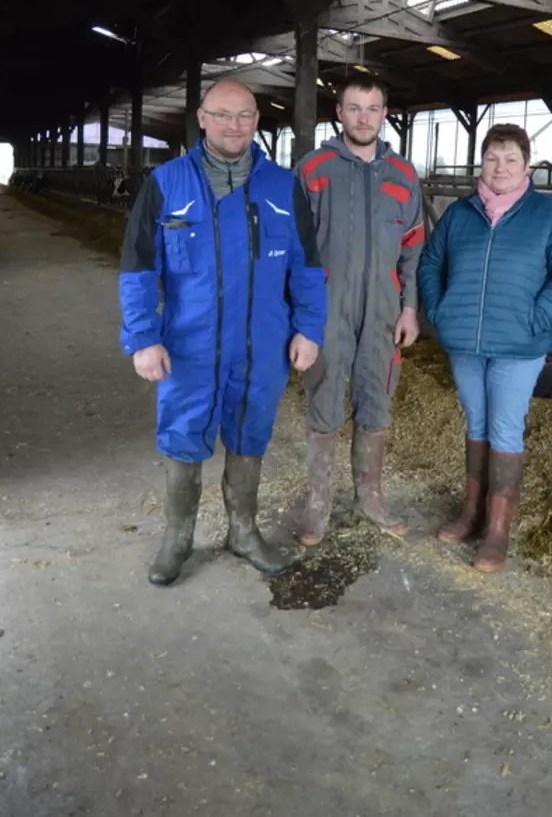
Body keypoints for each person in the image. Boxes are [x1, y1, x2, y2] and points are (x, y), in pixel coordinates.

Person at [119, 80, 326, 586]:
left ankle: (243, 531)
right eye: (223, 115)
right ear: (202, 119)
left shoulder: (282, 186)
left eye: (245, 116)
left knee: (250, 433)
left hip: (261, 344)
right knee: (183, 436)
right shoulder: (167, 183)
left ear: (257, 121)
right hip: (189, 345)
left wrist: (309, 328)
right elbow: (138, 269)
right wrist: (143, 338)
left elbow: (307, 267)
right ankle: (178, 538)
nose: (235, 126)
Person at [417, 124, 552, 573]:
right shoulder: (460, 213)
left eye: (511, 159)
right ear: (482, 163)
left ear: (527, 166)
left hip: (518, 345)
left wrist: (537, 317)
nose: (501, 168)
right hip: (466, 341)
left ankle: (497, 529)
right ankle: (472, 513)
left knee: (505, 428)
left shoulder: (547, 216)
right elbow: (432, 260)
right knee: (476, 423)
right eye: (493, 158)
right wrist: (438, 308)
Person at [295, 80, 424, 546]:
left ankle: (369, 499)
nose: (363, 117)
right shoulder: (313, 168)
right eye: (354, 108)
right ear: (339, 112)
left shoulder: (405, 175)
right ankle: (319, 503)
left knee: (377, 394)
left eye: (372, 109)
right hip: (328, 305)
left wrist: (410, 308)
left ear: (385, 112)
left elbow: (413, 249)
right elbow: (298, 248)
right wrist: (301, 318)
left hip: (385, 308)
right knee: (325, 393)